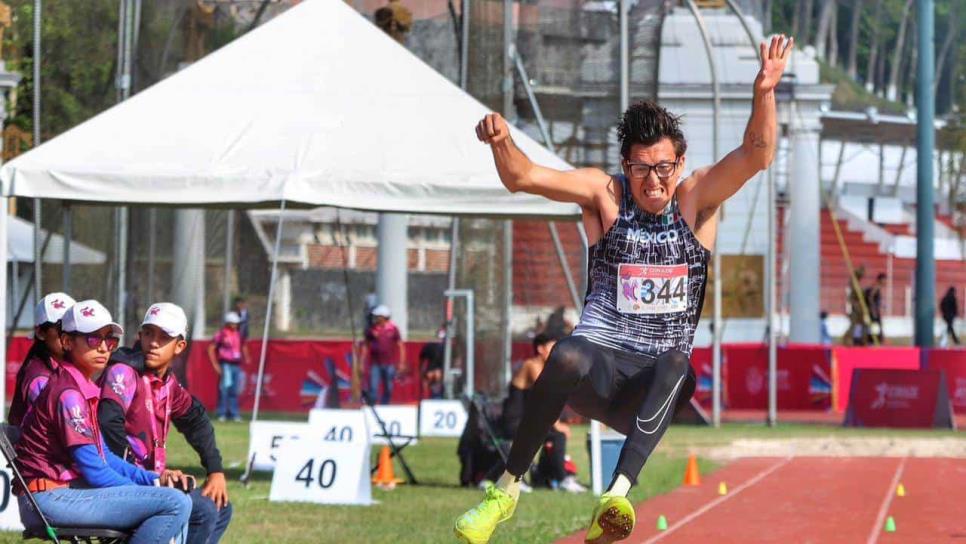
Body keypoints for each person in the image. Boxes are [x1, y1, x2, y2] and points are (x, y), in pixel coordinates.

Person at [455, 35, 793, 544]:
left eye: (662, 168)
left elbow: (757, 154)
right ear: (625, 164)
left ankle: (615, 496)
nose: (653, 181)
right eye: (640, 168)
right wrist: (501, 139)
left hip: (651, 388)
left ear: (679, 165)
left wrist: (764, 91)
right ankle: (504, 490)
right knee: (565, 354)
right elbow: (521, 176)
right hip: (599, 369)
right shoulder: (604, 195)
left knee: (680, 365)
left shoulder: (695, 199)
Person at [14, 300, 192, 543]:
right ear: (67, 342)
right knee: (175, 503)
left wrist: (152, 479)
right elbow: (95, 471)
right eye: (93, 339)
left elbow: (105, 457)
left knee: (176, 498)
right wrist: (145, 491)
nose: (104, 348)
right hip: (49, 500)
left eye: (110, 340)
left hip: (61, 493)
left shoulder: (80, 387)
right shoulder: (69, 395)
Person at [99, 303, 233, 544]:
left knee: (220, 505)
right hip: (124, 484)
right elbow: (108, 427)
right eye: (149, 333)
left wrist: (215, 470)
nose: (153, 342)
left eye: (164, 337)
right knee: (203, 511)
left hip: (150, 484)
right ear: (139, 336)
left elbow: (197, 421)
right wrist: (149, 477)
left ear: (179, 346)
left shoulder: (168, 384)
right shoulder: (124, 373)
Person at [496, 333, 585, 494]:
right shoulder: (531, 365)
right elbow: (547, 395)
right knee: (557, 435)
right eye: (554, 347)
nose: (559, 352)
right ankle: (562, 478)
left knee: (555, 436)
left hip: (527, 421)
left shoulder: (546, 368)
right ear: (540, 349)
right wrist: (557, 424)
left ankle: (552, 476)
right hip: (514, 422)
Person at [9, 292, 76, 427]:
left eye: (74, 328)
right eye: (61, 328)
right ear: (40, 332)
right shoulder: (41, 379)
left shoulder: (63, 367)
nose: (68, 336)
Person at [208, 312, 251, 422]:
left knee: (234, 390)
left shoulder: (238, 334)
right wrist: (215, 364)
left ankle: (234, 413)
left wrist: (246, 356)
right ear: (228, 323)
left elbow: (243, 345)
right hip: (226, 364)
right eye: (233, 323)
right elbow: (211, 348)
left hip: (236, 365)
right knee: (224, 389)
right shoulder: (221, 334)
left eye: (237, 323)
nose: (236, 325)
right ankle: (222, 413)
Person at [362, 305, 406, 404]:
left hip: (389, 364)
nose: (376, 318)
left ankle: (384, 406)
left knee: (388, 388)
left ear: (384, 317)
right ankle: (372, 406)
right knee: (373, 387)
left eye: (378, 316)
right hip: (375, 364)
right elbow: (366, 345)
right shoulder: (372, 329)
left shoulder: (393, 329)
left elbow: (400, 346)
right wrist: (362, 361)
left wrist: (401, 362)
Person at [421, 326, 446, 399]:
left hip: (432, 371)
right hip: (438, 372)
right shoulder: (446, 347)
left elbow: (423, 359)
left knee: (436, 391)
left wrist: (423, 372)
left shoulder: (430, 345)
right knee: (437, 392)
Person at [864, 273, 886, 344]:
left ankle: (874, 339)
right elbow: (870, 297)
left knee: (875, 324)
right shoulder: (876, 286)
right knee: (876, 324)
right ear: (880, 279)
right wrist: (872, 308)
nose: (885, 281)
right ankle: (875, 339)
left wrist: (881, 304)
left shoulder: (877, 286)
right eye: (884, 279)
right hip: (873, 310)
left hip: (874, 309)